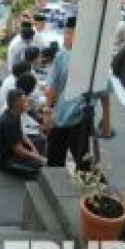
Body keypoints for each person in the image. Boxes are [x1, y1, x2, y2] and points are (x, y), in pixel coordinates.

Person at [45, 17, 113, 169]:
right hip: (60, 116)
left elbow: (104, 95)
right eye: (65, 33)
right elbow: (53, 87)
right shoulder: (62, 56)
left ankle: (86, 187)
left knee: (83, 162)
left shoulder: (96, 61)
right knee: (55, 160)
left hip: (81, 119)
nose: (65, 37)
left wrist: (107, 123)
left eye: (69, 33)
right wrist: (47, 111)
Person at [0, 89, 47, 179]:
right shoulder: (7, 121)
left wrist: (33, 148)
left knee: (42, 141)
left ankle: (37, 158)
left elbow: (22, 134)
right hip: (6, 160)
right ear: (16, 104)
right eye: (24, 101)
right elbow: (18, 149)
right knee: (39, 169)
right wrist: (39, 158)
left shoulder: (16, 114)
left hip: (14, 150)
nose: (27, 103)